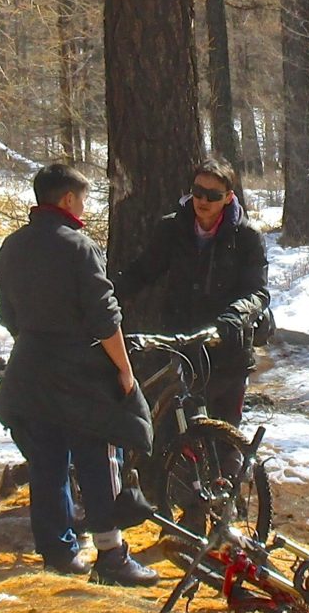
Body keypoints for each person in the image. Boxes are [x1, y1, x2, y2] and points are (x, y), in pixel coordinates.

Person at [0, 163, 159, 586]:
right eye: (82, 198)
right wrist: (124, 370)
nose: (84, 206)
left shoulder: (12, 246)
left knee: (47, 465)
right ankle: (111, 556)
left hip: (29, 370)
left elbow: (6, 313)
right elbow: (105, 318)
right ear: (67, 199)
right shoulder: (78, 247)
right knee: (99, 461)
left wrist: (36, 338)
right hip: (81, 376)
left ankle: (59, 552)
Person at [113, 156, 271, 421]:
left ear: (228, 197)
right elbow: (142, 272)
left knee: (223, 438)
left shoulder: (246, 237)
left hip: (227, 350)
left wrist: (235, 316)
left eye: (213, 195)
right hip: (180, 345)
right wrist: (107, 297)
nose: (203, 201)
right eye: (197, 192)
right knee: (177, 432)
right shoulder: (172, 228)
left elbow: (258, 292)